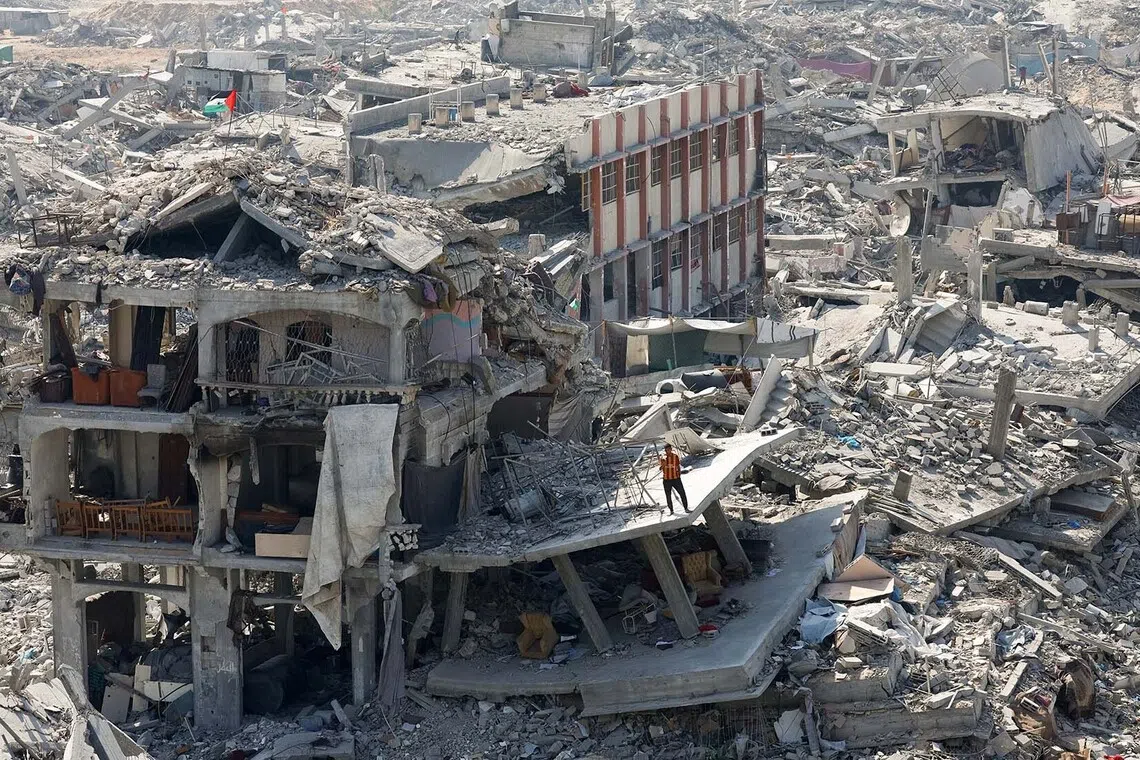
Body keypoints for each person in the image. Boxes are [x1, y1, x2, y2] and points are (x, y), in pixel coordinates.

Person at [659, 443, 689, 514]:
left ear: (671, 449)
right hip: (667, 480)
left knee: (682, 493)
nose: (668, 451)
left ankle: (686, 508)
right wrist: (663, 465)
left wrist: (679, 474)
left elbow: (678, 466)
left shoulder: (675, 456)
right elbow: (660, 468)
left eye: (669, 450)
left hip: (676, 478)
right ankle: (671, 510)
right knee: (668, 495)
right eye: (666, 450)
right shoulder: (663, 458)